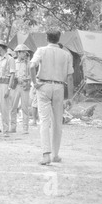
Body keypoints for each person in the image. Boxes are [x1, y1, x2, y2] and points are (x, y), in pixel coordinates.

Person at [30, 30, 74, 165]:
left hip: (43, 85)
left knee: (44, 121)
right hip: (59, 87)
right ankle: (55, 154)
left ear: (46, 38)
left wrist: (35, 83)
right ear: (59, 38)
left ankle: (46, 155)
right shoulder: (66, 54)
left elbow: (32, 65)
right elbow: (70, 77)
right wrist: (70, 97)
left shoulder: (41, 50)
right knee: (57, 122)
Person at [0, 39, 15, 138]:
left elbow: (12, 74)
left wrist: (9, 88)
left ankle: (5, 130)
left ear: (1, 47)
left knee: (4, 108)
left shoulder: (10, 59)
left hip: (5, 84)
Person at [9, 44, 32, 134]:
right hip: (15, 86)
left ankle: (25, 128)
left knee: (25, 107)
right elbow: (10, 74)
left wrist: (27, 80)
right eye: (23, 52)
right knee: (13, 107)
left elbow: (31, 75)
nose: (25, 54)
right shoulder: (13, 62)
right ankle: (13, 126)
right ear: (18, 53)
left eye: (25, 52)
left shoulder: (28, 64)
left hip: (24, 85)